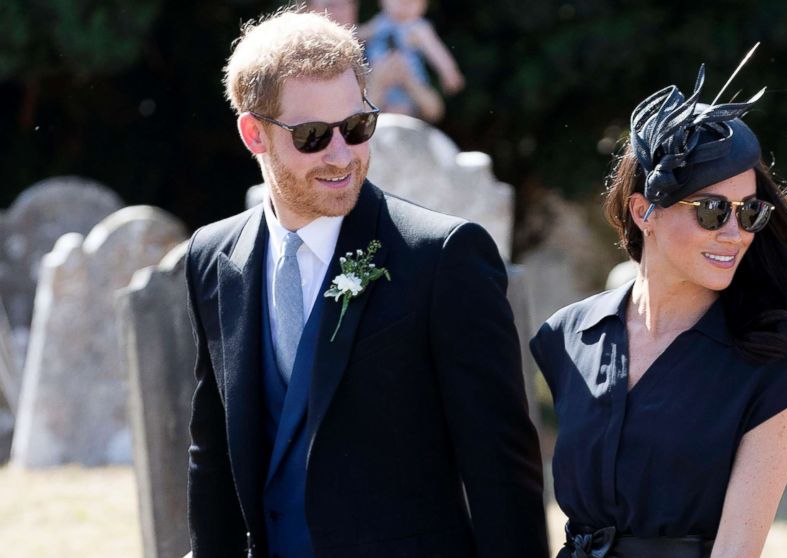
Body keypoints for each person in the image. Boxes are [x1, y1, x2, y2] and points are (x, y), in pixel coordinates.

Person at [185, 10, 547, 557]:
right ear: (253, 133)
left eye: (356, 127)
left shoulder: (443, 257)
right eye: (311, 136)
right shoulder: (212, 257)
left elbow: (501, 470)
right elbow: (212, 450)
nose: (341, 155)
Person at [530, 64, 787, 558]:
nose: (735, 232)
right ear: (643, 212)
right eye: (713, 210)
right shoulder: (567, 335)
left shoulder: (776, 361)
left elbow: (738, 549)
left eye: (750, 212)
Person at [358, 0, 463, 121]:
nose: (405, 5)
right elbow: (358, 35)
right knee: (379, 108)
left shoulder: (418, 28)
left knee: (402, 110)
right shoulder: (378, 22)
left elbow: (436, 51)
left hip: (408, 80)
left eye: (413, 2)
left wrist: (449, 72)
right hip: (378, 79)